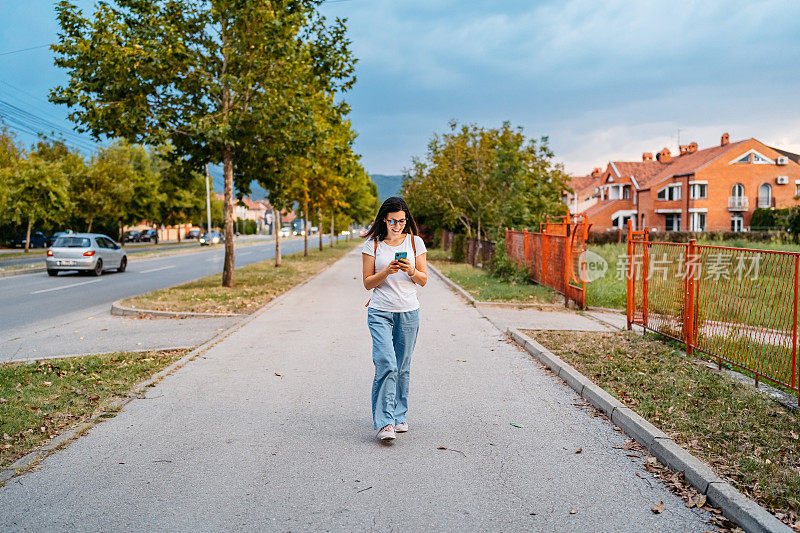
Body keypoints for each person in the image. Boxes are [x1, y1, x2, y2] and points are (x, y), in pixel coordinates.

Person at [361, 197, 428, 442]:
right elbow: (368, 283)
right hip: (380, 311)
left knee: (403, 367)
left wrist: (411, 271)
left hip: (409, 311)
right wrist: (386, 271)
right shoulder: (373, 246)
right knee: (386, 363)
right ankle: (385, 422)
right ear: (384, 220)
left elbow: (423, 279)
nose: (397, 226)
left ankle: (399, 416)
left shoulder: (415, 242)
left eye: (401, 221)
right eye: (392, 221)